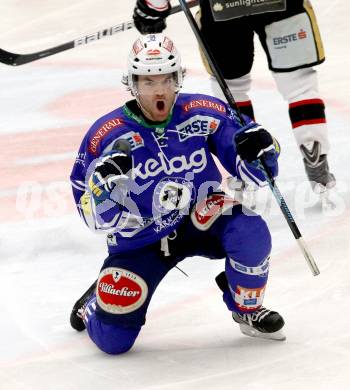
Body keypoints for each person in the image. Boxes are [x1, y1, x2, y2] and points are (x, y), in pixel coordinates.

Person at [69, 33, 284, 355]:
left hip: (201, 214)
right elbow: (96, 220)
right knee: (113, 342)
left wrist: (261, 150)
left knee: (250, 231)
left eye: (166, 80)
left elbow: (253, 172)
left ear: (179, 78)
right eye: (147, 81)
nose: (158, 90)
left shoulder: (203, 110)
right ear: (132, 83)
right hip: (139, 239)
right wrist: (104, 190)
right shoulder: (107, 135)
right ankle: (93, 304)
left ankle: (245, 307)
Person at [133, 0, 336, 196]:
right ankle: (313, 151)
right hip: (282, 5)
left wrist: (153, 8)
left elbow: (154, 7)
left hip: (222, 9)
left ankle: (247, 163)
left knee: (232, 88)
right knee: (298, 83)